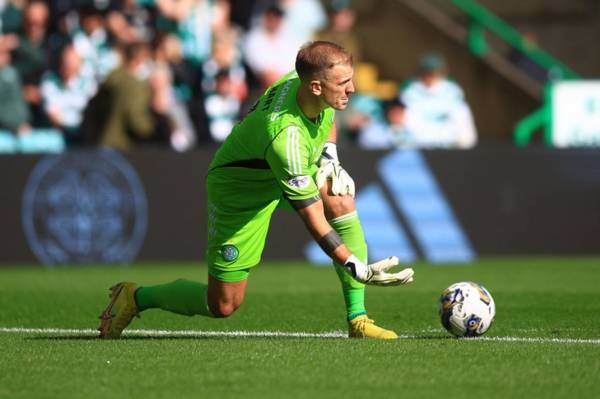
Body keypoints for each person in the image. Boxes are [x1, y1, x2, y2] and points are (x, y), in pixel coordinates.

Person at [98, 41, 414, 340]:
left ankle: (357, 319)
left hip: (284, 170)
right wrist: (352, 263)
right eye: (344, 82)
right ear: (316, 86)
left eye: (351, 79)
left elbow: (327, 116)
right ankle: (135, 297)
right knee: (223, 305)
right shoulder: (285, 136)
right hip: (241, 191)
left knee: (340, 197)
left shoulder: (308, 82)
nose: (353, 89)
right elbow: (314, 219)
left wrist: (330, 154)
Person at [400, 52, 477, 149]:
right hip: (418, 147)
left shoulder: (452, 91)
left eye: (434, 72)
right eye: (427, 72)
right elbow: (404, 121)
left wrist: (465, 144)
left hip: (449, 146)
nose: (430, 77)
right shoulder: (410, 91)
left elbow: (462, 119)